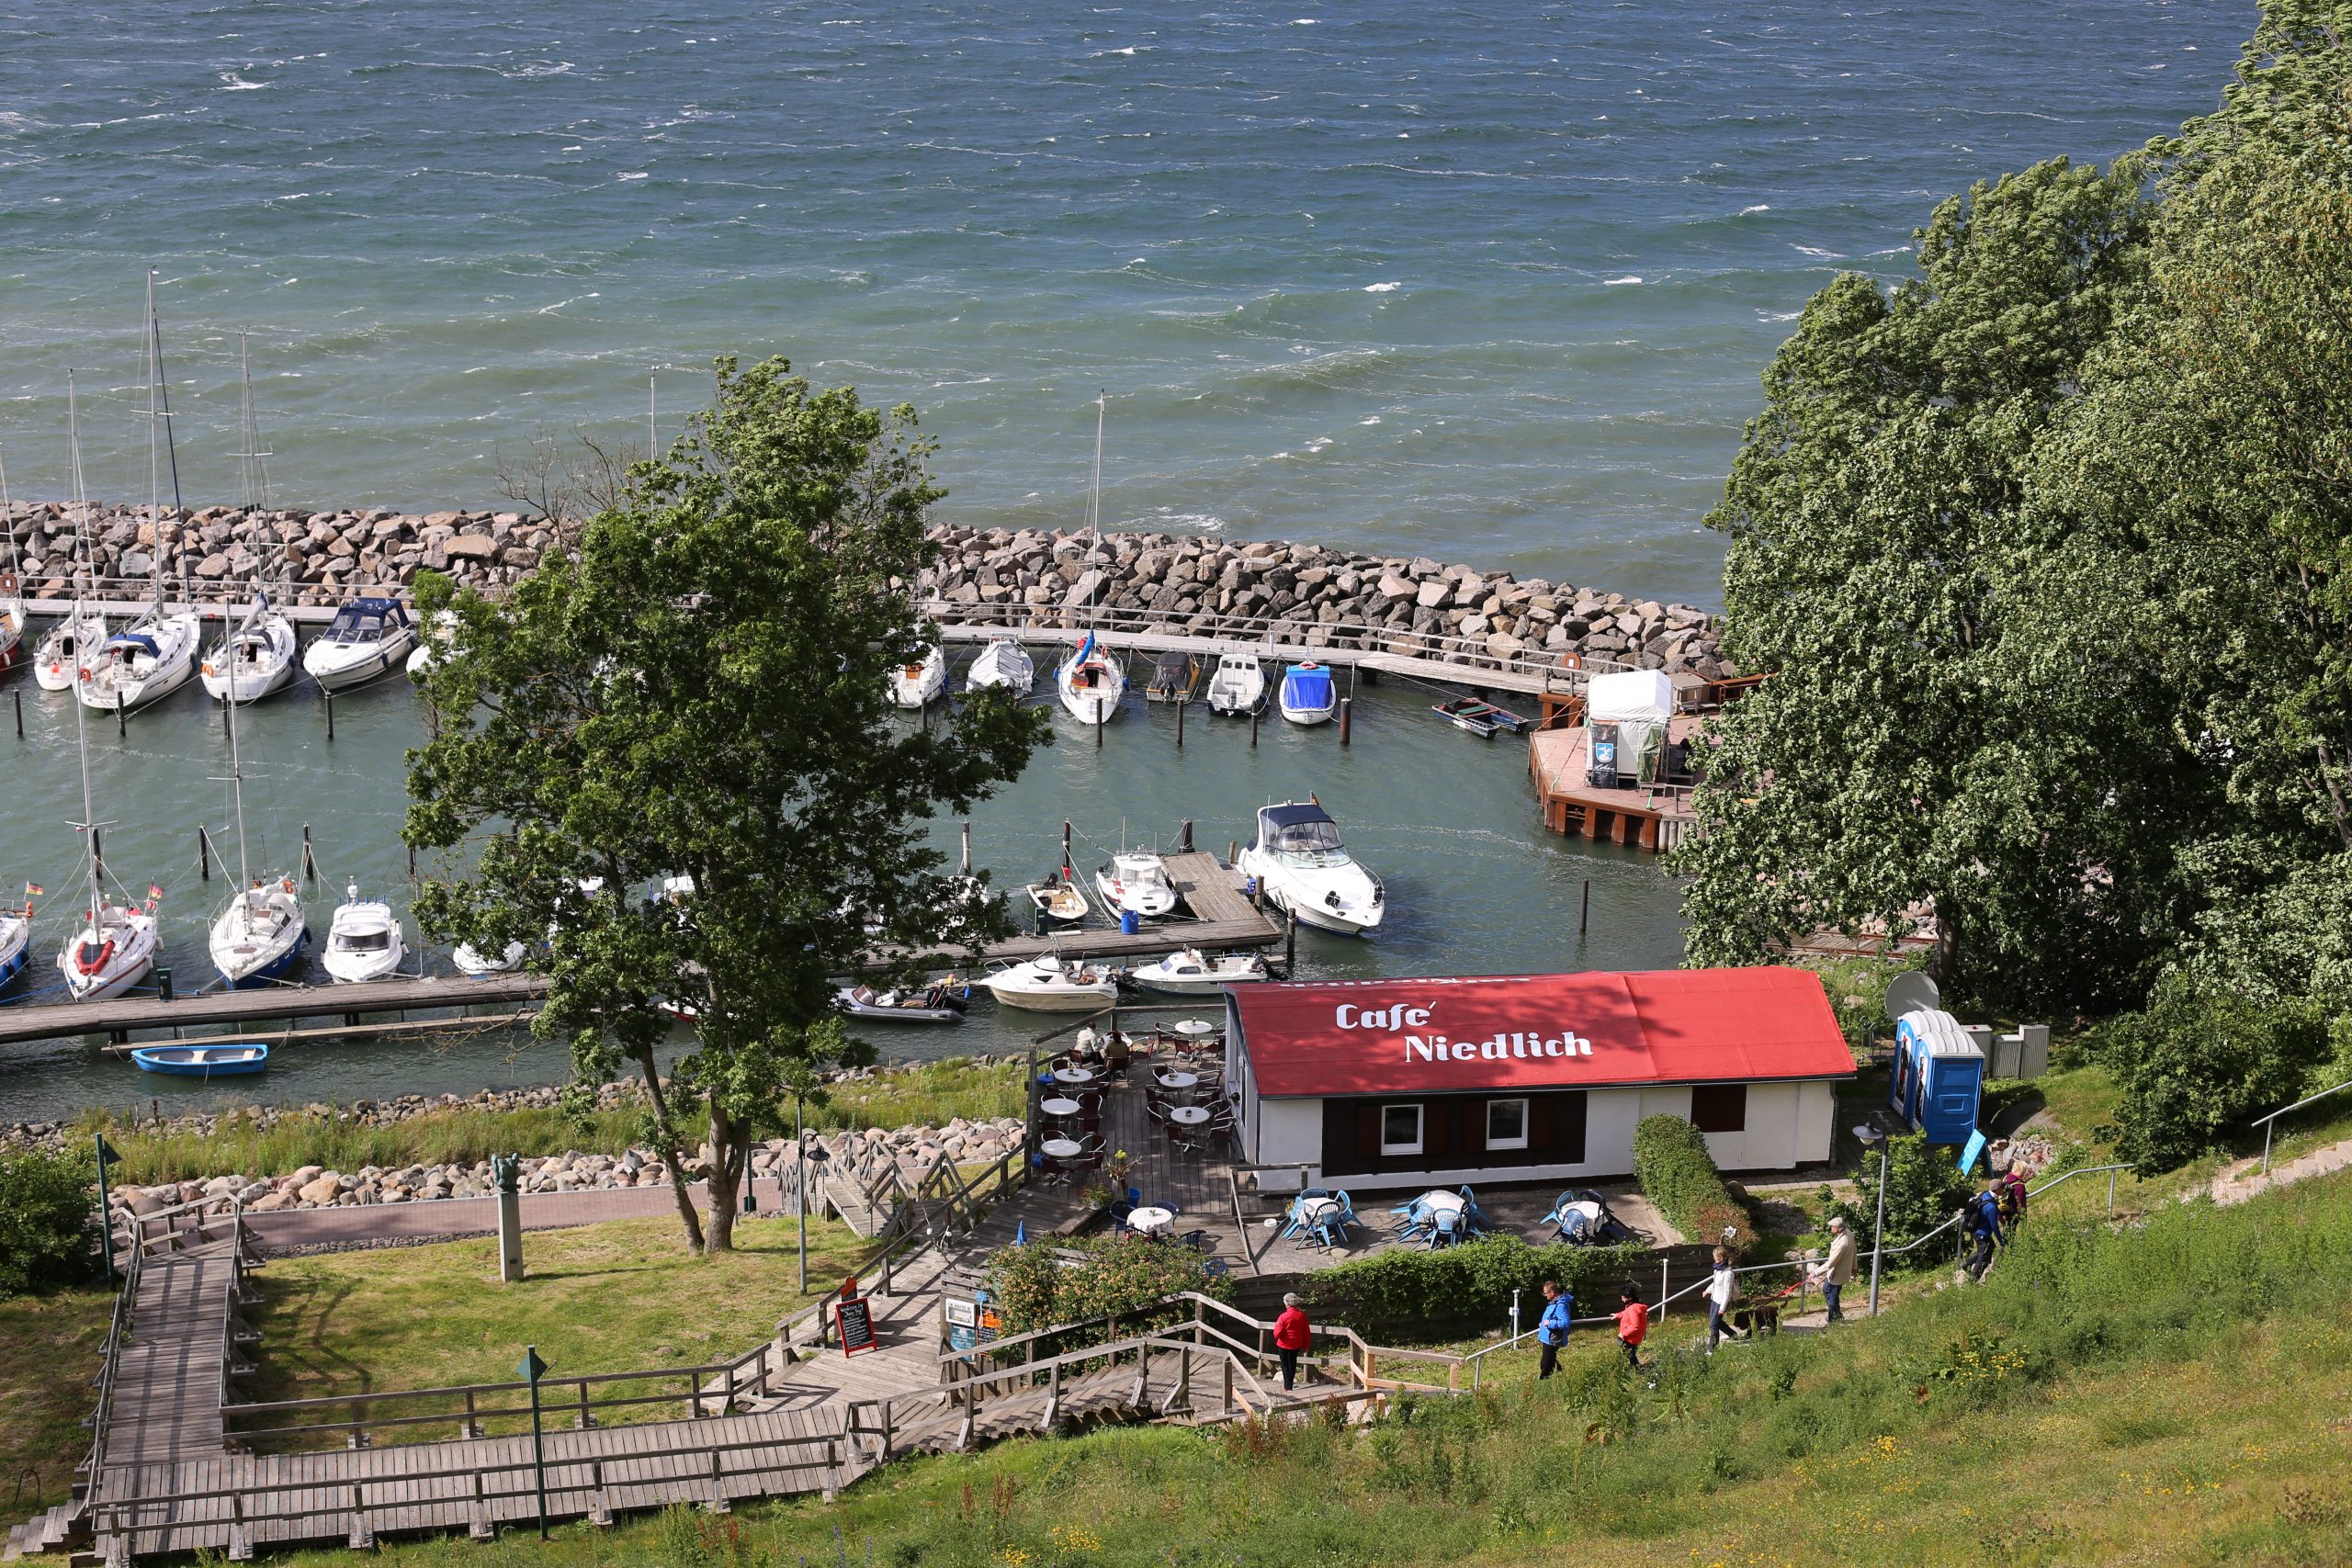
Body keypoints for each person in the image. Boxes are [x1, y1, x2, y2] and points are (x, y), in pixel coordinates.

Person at [1811, 1215, 1858, 1323]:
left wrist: (1816, 1272)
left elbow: (1831, 1262)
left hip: (1837, 1274)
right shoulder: (1849, 1234)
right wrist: (1854, 1267)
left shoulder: (1842, 1243)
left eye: (1832, 1227)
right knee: (1827, 1290)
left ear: (1836, 1228)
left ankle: (1833, 1321)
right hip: (1839, 1272)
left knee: (1832, 1298)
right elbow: (1854, 1251)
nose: (1830, 1228)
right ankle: (1837, 1315)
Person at [1962, 1179, 2005, 1281]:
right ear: (1997, 1190)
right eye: (2002, 1187)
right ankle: (1973, 1278)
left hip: (1976, 1231)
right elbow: (1994, 1227)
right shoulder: (1991, 1207)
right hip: (1982, 1233)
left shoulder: (1985, 1194)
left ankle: (1967, 1263)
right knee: (1985, 1256)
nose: (2004, 1189)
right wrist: (2001, 1240)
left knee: (1989, 1248)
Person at [1272, 1292, 1312, 1391]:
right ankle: (1290, 1386)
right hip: (1296, 1344)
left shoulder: (1283, 1316)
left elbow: (1277, 1333)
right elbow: (1307, 1332)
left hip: (1284, 1345)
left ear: (1287, 1303)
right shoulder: (1301, 1315)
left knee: (1285, 1365)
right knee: (1293, 1363)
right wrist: (1305, 1346)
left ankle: (1287, 1387)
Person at [1705, 1245, 1741, 1351]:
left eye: (1715, 1257)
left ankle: (1712, 1349)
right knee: (1716, 1322)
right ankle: (1733, 1335)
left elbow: (1727, 1292)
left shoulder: (1728, 1273)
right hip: (1714, 1299)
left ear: (1720, 1258)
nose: (1714, 1259)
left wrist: (1722, 1308)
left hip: (1721, 1302)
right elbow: (1716, 1283)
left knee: (1713, 1325)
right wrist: (1707, 1291)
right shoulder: (1717, 1269)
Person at [1535, 1279, 1573, 1379]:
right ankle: (1560, 1371)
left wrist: (1549, 1323)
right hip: (1548, 1335)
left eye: (1546, 1293)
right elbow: (1551, 1316)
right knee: (1550, 1358)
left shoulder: (1561, 1305)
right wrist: (1543, 1324)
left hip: (1553, 1338)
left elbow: (1565, 1322)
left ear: (1552, 1292)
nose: (1545, 1295)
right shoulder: (1553, 1302)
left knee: (1545, 1362)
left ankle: (1544, 1379)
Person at [1614, 1285, 1649, 1371]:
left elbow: (1635, 1326)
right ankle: (1633, 1369)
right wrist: (1618, 1315)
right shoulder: (1633, 1306)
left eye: (1623, 1298)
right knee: (1627, 1354)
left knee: (1630, 1356)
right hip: (1632, 1337)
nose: (1622, 1299)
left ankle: (1637, 1371)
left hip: (1630, 1338)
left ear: (1629, 1298)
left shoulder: (1633, 1309)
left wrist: (1623, 1333)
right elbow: (1626, 1313)